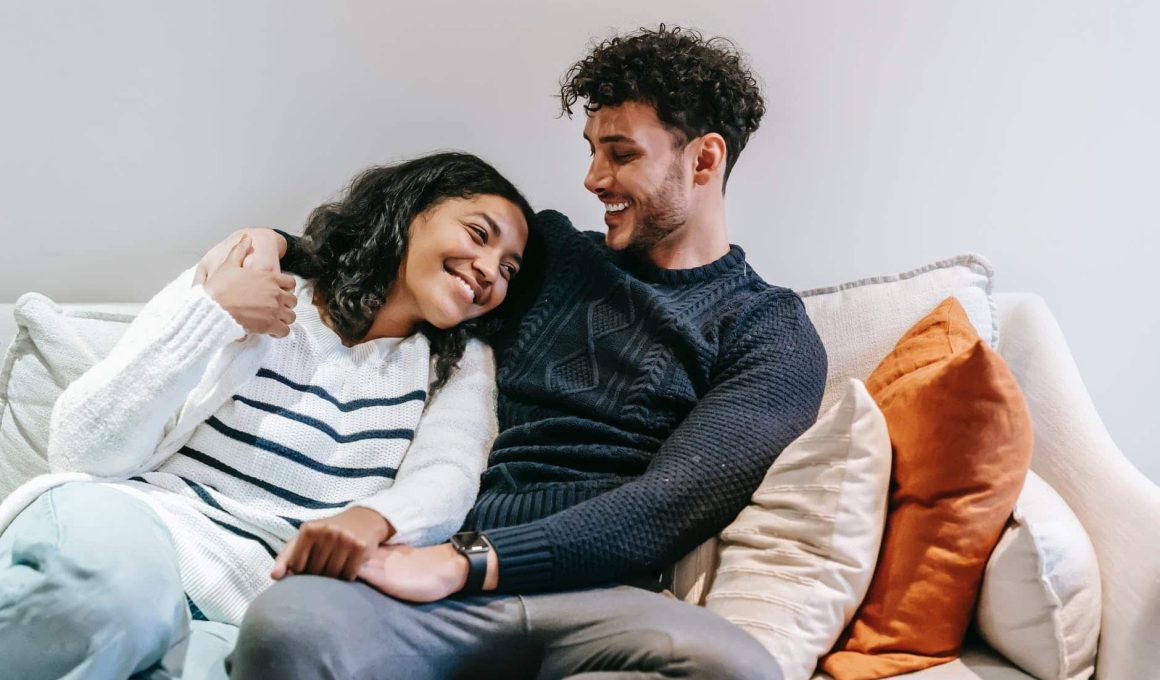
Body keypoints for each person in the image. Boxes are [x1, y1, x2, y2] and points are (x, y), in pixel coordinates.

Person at [221, 25, 828, 680]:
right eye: (592, 150)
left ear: (704, 161)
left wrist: (472, 559)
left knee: (736, 668)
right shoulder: (548, 256)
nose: (594, 178)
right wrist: (270, 243)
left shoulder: (769, 328)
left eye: (620, 154)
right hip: (434, 581)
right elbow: (390, 249)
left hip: (601, 593)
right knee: (288, 626)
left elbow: (670, 505)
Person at [0, 152, 534, 679]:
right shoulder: (258, 278)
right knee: (113, 603)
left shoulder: (460, 365)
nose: (489, 270)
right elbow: (82, 450)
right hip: (142, 529)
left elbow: (449, 476)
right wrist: (211, 314)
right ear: (413, 211)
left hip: (248, 605)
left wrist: (376, 520)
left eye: (508, 268)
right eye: (478, 235)